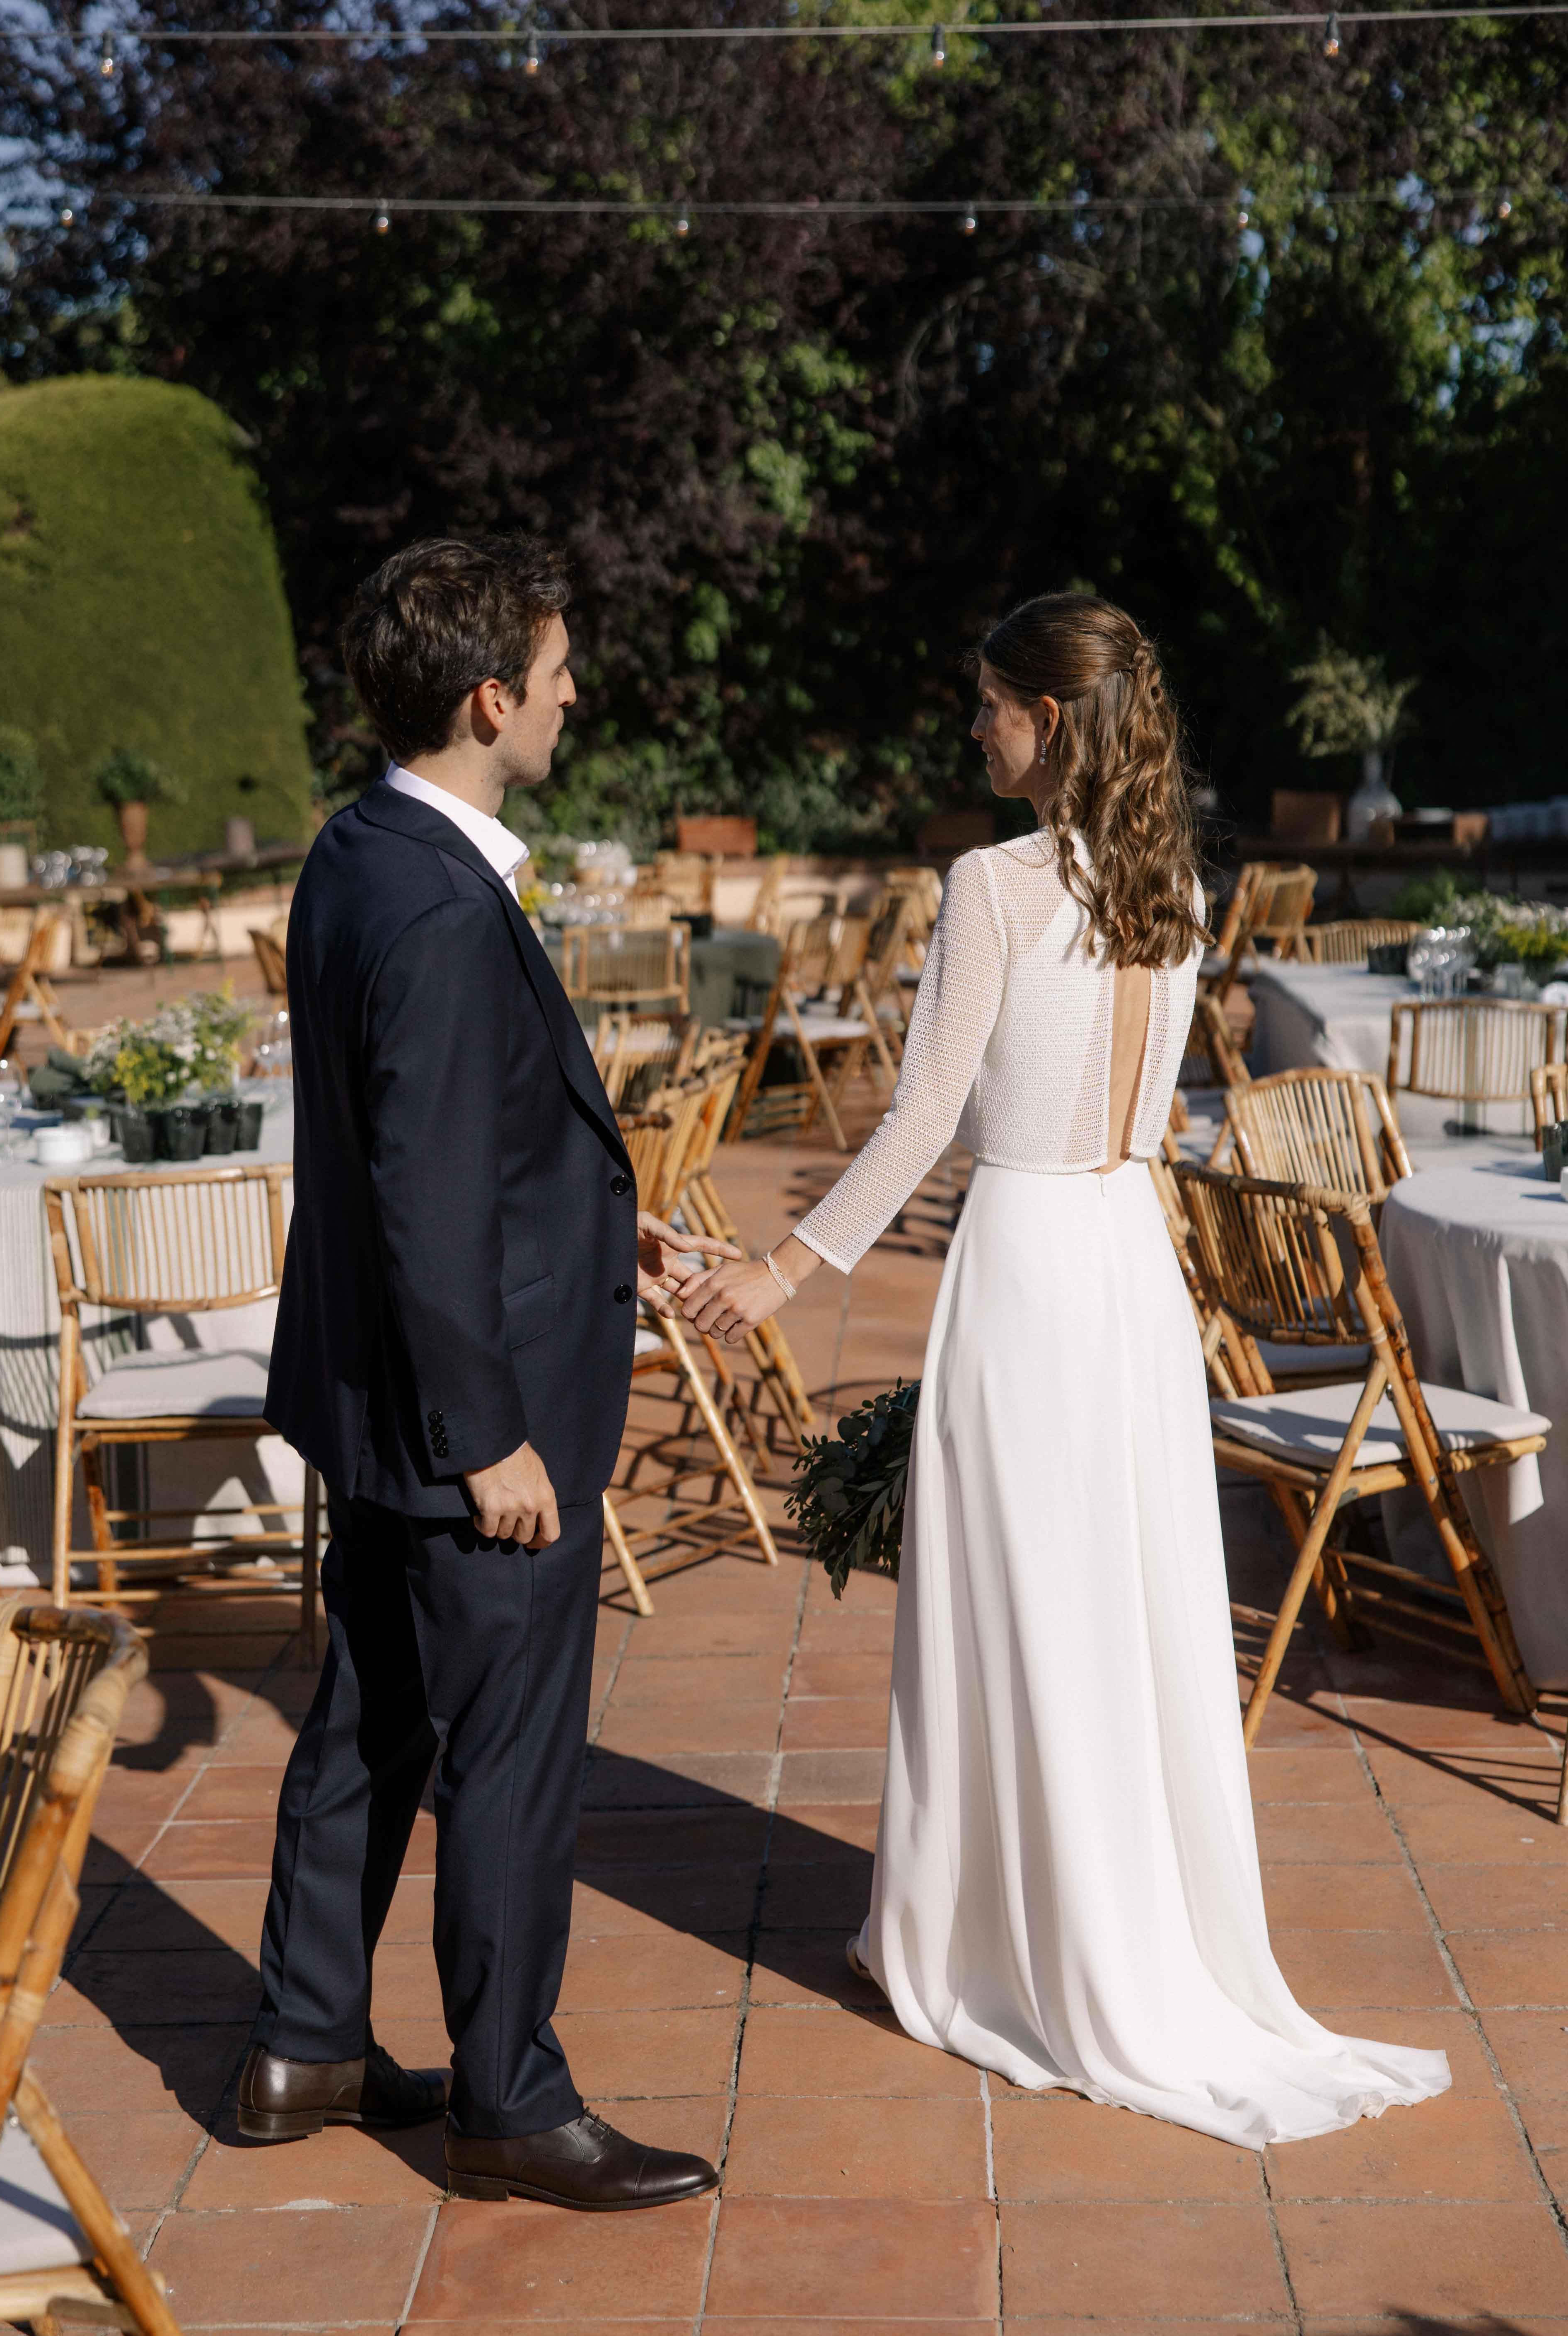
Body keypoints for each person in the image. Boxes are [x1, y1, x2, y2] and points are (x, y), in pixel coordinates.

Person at [674, 592, 1450, 2148]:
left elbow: (918, 1120)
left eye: (992, 707)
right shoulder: (1173, 883)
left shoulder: (996, 885)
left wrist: (779, 1269)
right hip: (1129, 1259)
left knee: (1010, 1610)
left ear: (1054, 717)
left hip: (1031, 1264)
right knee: (1125, 1609)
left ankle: (989, 1948)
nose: (976, 730)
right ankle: (1103, 1936)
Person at [243, 534, 737, 2209]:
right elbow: (425, 1188)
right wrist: (492, 1442)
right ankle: (510, 2100)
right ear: (486, 699)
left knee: (370, 1714)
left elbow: (442, 1151)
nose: (574, 691)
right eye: (556, 668)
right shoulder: (448, 902)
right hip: (467, 1414)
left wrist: (617, 1238)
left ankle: (304, 2038)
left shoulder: (360, 848)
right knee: (509, 1757)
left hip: (375, 1396)